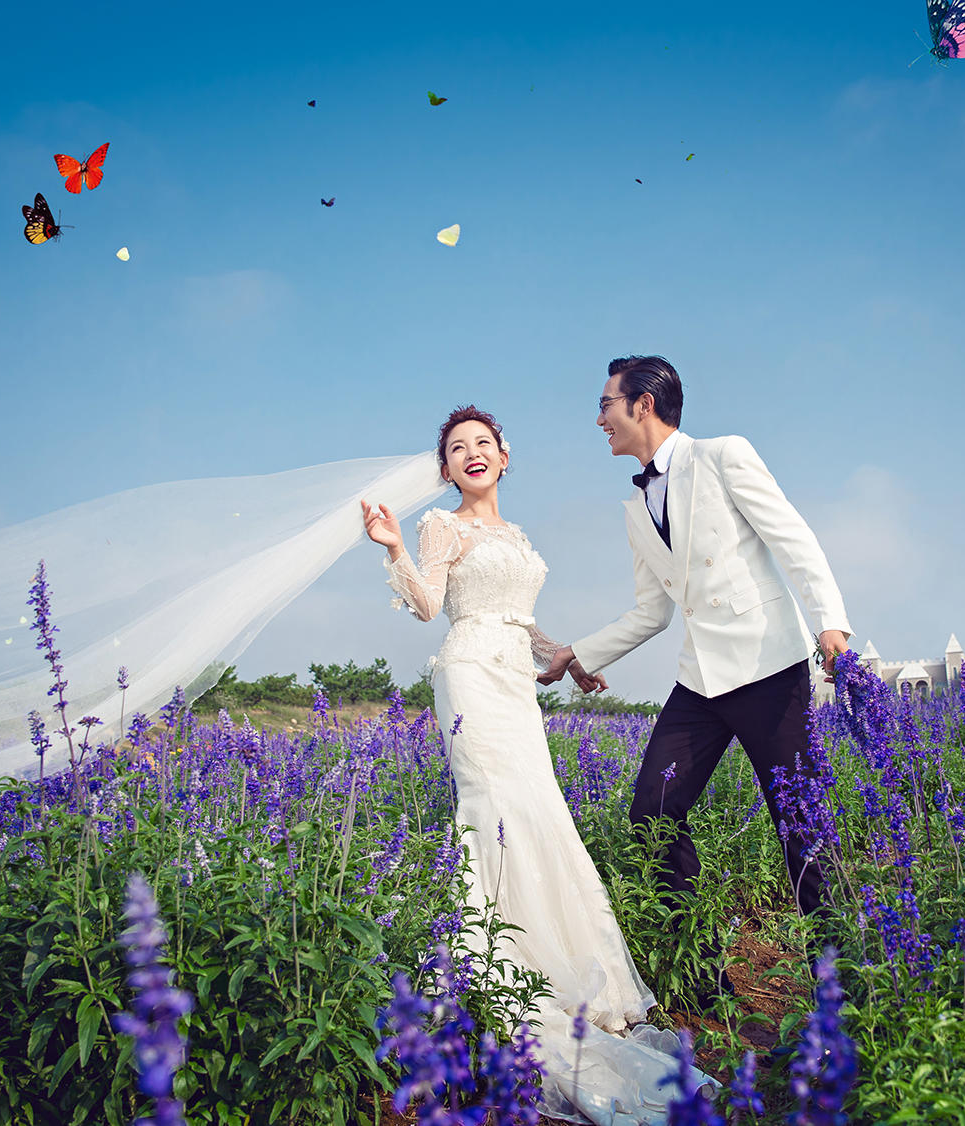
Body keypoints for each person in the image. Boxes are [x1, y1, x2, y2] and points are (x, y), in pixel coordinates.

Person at [363, 404, 712, 1125]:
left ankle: (564, 967)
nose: (471, 453)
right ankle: (496, 979)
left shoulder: (515, 535)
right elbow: (430, 605)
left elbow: (521, 623)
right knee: (493, 811)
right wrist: (393, 548)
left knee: (539, 811)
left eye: (482, 443)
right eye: (456, 448)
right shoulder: (441, 526)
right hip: (468, 674)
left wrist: (569, 661)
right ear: (445, 468)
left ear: (503, 455)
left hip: (516, 683)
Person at [539, 355, 857, 1007]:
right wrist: (579, 655)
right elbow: (651, 612)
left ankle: (841, 996)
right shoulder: (634, 508)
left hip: (768, 667)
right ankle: (706, 985)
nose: (599, 419)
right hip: (700, 681)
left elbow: (792, 538)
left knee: (800, 825)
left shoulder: (723, 455)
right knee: (652, 814)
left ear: (643, 404)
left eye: (605, 404)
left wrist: (831, 622)